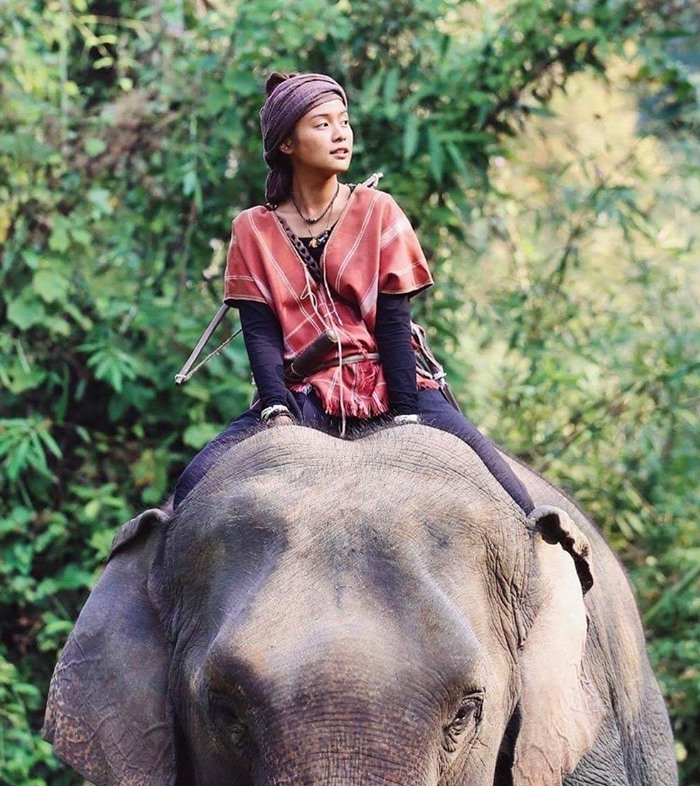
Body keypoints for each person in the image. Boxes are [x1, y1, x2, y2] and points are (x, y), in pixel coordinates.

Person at [173, 71, 534, 513]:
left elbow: (394, 323)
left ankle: (546, 533)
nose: (340, 134)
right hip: (305, 393)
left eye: (343, 121)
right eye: (322, 124)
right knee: (194, 481)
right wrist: (275, 411)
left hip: (391, 379)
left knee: (500, 479)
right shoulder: (252, 228)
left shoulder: (377, 210)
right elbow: (260, 334)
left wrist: (406, 415)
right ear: (286, 144)